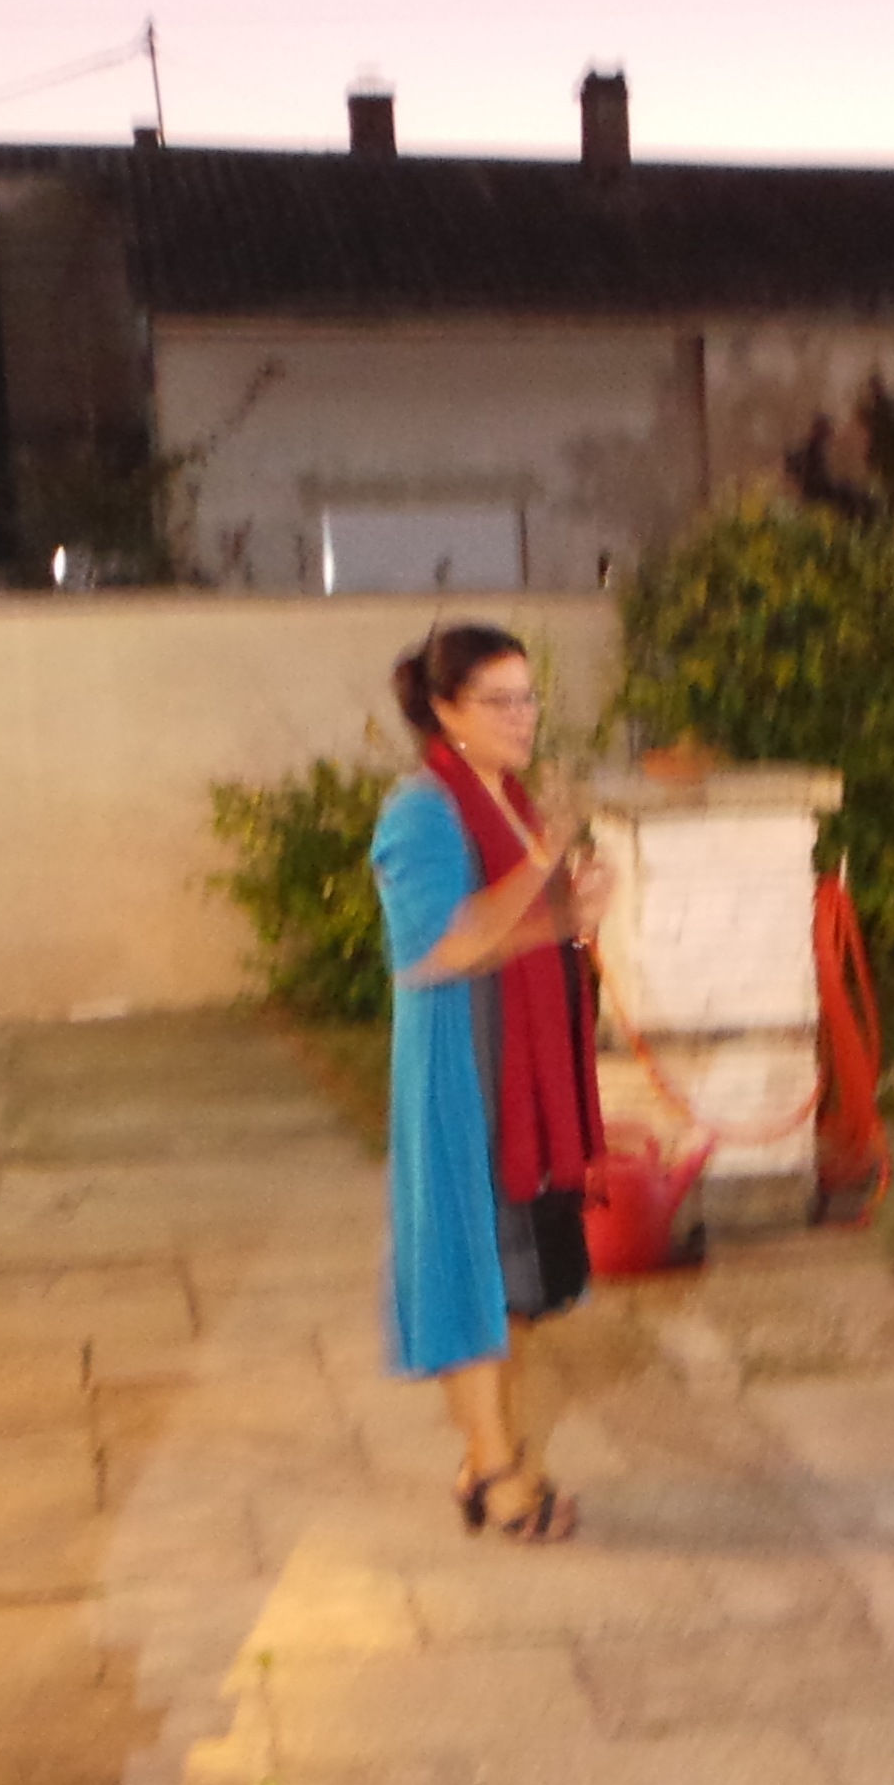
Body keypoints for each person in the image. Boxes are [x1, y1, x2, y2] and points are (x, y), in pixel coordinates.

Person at [376, 622, 613, 1542]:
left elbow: (518, 931)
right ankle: (499, 1474)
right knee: (472, 1277)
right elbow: (440, 948)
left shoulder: (505, 802)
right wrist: (544, 868)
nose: (523, 717)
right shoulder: (423, 811)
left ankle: (489, 1460)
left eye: (528, 697)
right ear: (446, 712)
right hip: (464, 1070)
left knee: (521, 1280)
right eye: (499, 701)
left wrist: (572, 915)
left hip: (524, 1075)